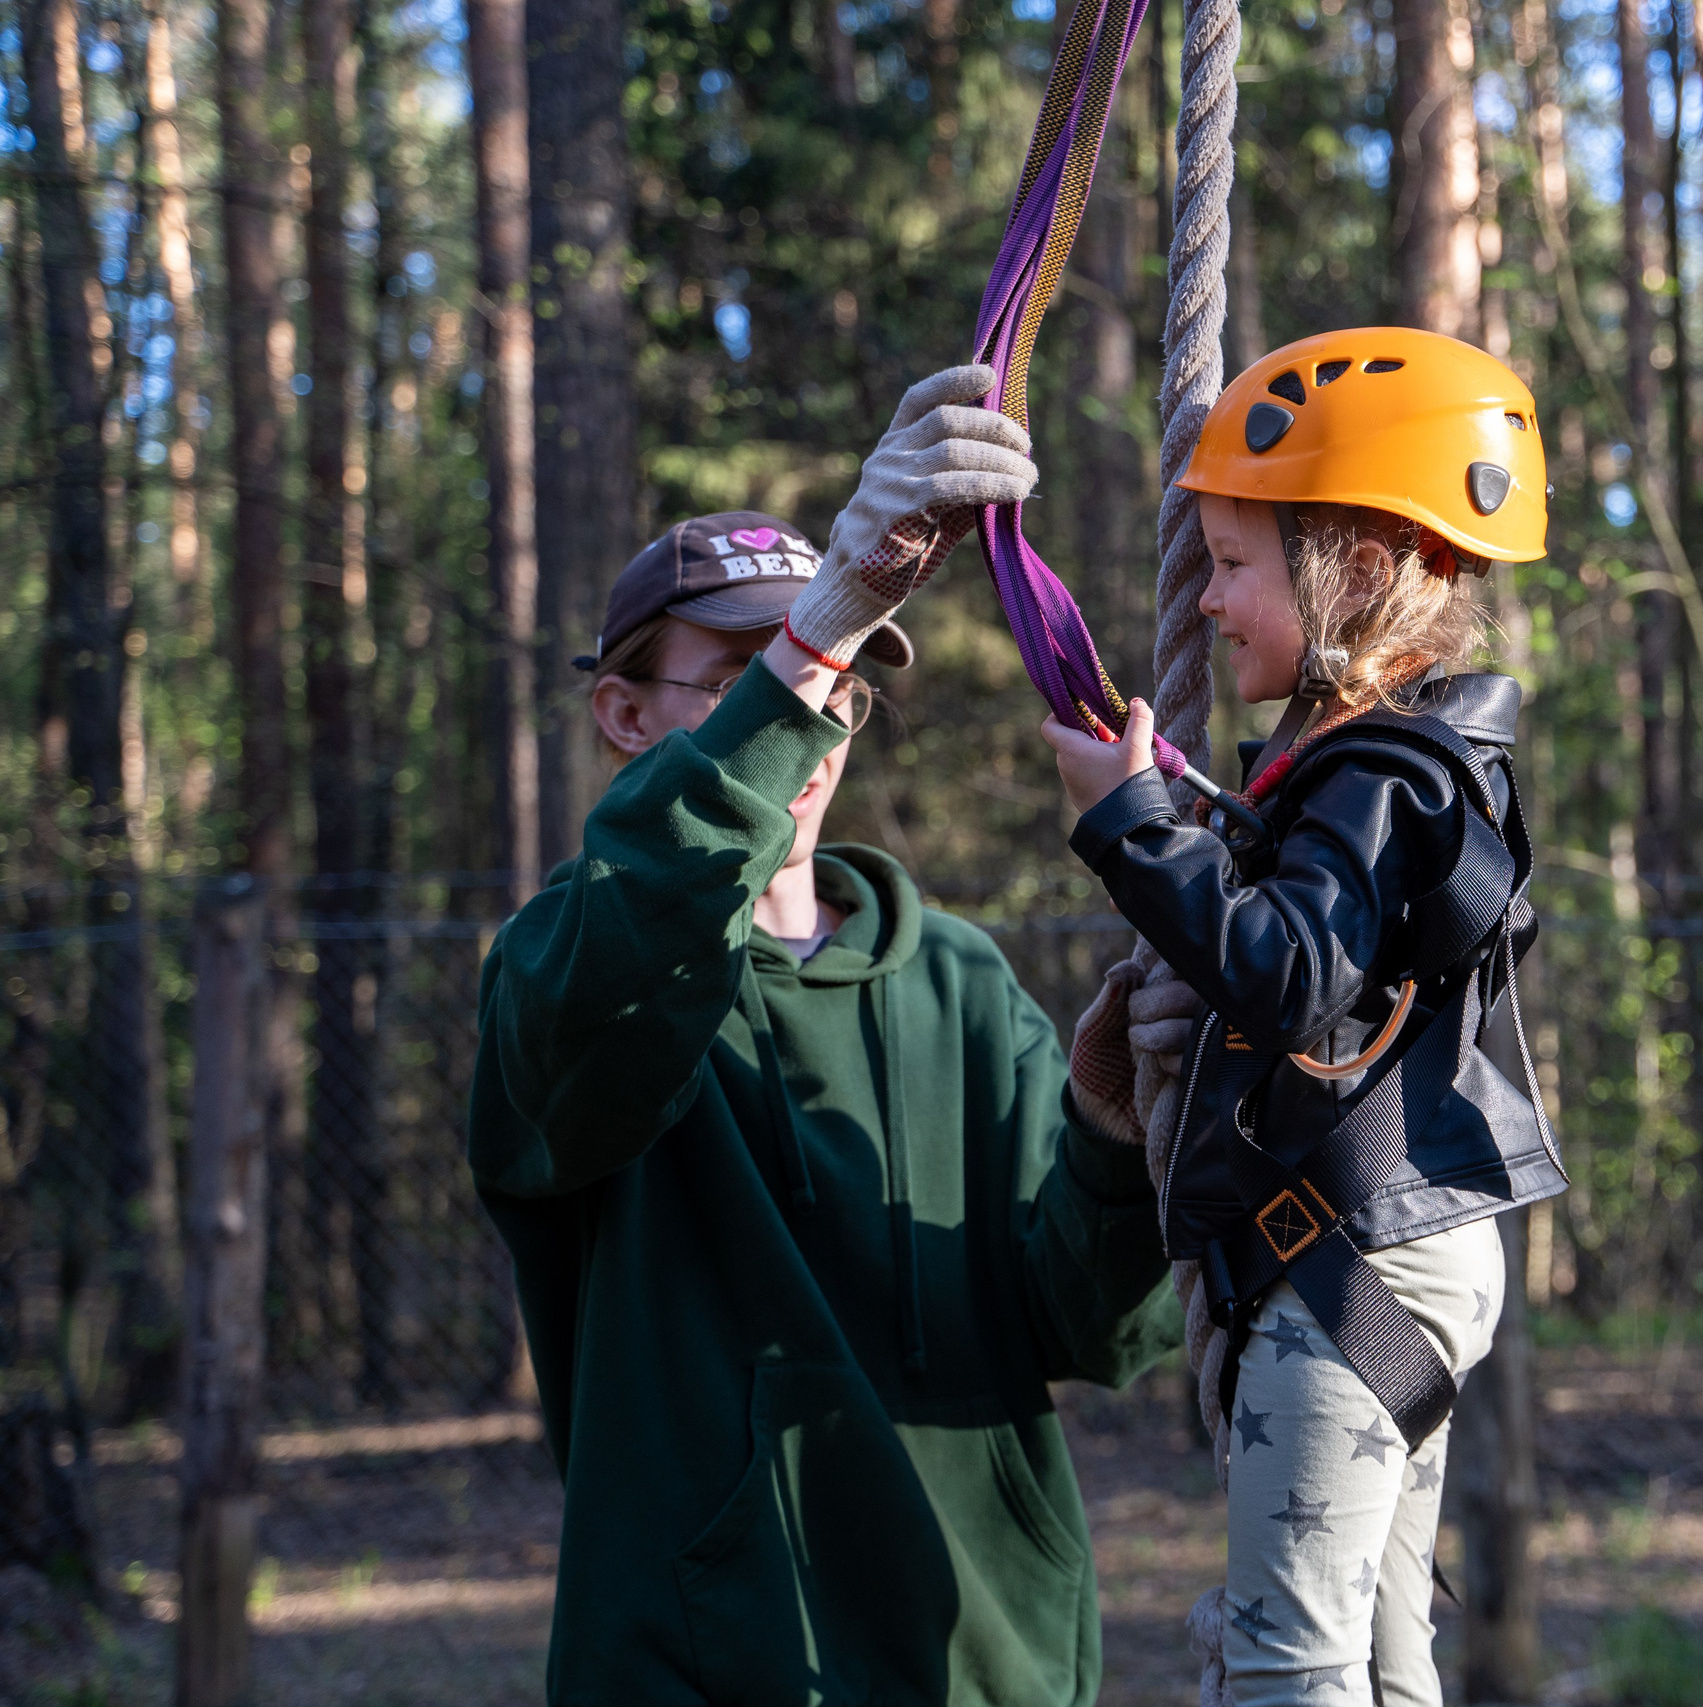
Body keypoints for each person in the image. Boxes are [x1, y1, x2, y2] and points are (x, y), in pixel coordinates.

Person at [467, 364, 1185, 1707]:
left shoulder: (960, 982)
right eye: (743, 677)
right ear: (624, 715)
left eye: (841, 681)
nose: (814, 720)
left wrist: (1114, 1136)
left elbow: (1104, 1335)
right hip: (703, 1677)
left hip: (989, 1671)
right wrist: (816, 632)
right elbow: (627, 958)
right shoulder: (564, 968)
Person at [1040, 328, 1567, 1706]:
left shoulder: (1384, 776)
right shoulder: (1369, 771)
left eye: (1232, 564)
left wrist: (1129, 827)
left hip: (1357, 1256)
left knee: (1288, 1661)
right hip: (1386, 1250)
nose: (1208, 599)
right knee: (1378, 1662)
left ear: (1365, 570)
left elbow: (1292, 972)